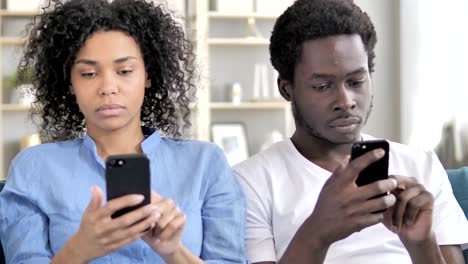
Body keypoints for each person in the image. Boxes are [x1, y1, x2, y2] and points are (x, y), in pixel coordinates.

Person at [0, 0, 248, 263]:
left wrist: (173, 251)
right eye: (88, 73)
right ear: (69, 83)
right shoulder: (34, 168)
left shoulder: (205, 164)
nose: (108, 87)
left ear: (148, 75)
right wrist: (80, 249)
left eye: (125, 71)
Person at [233, 0, 468, 263]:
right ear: (287, 89)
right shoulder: (250, 182)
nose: (345, 101)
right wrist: (318, 231)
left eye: (356, 81)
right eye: (322, 86)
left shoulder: (421, 165)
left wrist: (422, 244)